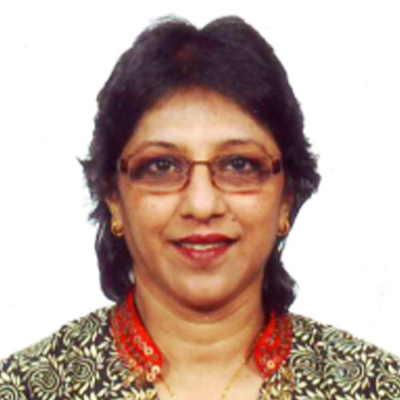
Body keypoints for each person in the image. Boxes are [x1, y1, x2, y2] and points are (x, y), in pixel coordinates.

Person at [1, 15, 399, 400]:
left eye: (239, 165)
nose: (202, 204)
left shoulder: (377, 387)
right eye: (162, 166)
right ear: (113, 198)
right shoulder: (27, 389)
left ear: (286, 199)